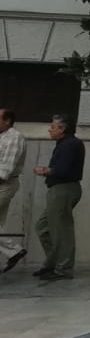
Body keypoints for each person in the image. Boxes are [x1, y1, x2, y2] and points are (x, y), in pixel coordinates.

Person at [33, 114, 85, 281]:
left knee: (62, 230)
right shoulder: (65, 144)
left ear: (62, 129)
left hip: (64, 189)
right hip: (59, 189)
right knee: (43, 227)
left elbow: (63, 170)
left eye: (53, 127)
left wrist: (45, 171)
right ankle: (53, 263)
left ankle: (63, 268)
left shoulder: (71, 144)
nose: (50, 129)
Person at [0, 108, 26, 272]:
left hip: (4, 184)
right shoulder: (2, 137)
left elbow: (5, 171)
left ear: (8, 120)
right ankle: (13, 253)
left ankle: (14, 250)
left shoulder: (14, 138)